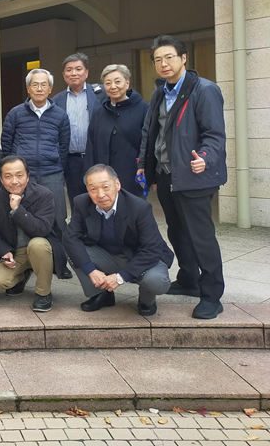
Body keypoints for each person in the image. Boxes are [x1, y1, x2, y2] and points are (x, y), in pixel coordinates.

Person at [138, 34, 227, 319]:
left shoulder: (205, 90)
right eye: (158, 60)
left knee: (201, 237)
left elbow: (215, 134)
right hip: (166, 174)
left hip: (194, 175)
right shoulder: (159, 92)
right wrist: (144, 165)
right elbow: (150, 132)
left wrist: (205, 158)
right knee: (176, 231)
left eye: (169, 57)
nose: (163, 64)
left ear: (183, 58)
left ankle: (212, 295)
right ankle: (189, 279)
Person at [64, 164, 173, 316]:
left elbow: (152, 249)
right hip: (107, 255)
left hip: (139, 257)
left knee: (156, 281)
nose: (100, 194)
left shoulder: (139, 207)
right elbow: (71, 237)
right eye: (93, 189)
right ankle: (101, 294)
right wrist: (91, 270)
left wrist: (121, 277)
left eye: (106, 187)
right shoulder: (81, 203)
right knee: (72, 250)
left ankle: (146, 299)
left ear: (117, 184)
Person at [0, 155, 67, 313]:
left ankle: (43, 293)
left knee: (37, 244)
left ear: (28, 176)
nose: (14, 181)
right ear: (1, 179)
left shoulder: (44, 195)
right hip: (15, 251)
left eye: (19, 175)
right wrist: (4, 250)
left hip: (41, 249)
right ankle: (21, 277)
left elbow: (42, 229)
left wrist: (17, 210)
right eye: (8, 176)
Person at [1, 68, 71, 242]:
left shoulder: (60, 115)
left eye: (43, 85)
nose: (39, 88)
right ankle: (25, 254)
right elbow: (6, 143)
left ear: (50, 89)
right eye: (35, 85)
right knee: (23, 215)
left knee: (58, 218)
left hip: (52, 173)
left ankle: (59, 256)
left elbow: (64, 146)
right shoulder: (15, 113)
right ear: (28, 88)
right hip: (23, 175)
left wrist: (56, 164)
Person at [87, 65, 149, 197]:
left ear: (127, 83)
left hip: (133, 176)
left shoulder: (143, 109)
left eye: (117, 81)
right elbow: (91, 145)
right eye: (108, 83)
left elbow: (148, 142)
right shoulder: (99, 113)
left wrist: (145, 168)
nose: (113, 86)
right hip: (103, 179)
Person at [53, 53, 104, 203]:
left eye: (78, 69)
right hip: (71, 161)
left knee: (100, 199)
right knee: (77, 202)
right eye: (69, 70)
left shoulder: (101, 95)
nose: (73, 73)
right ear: (64, 75)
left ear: (86, 73)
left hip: (96, 158)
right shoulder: (57, 100)